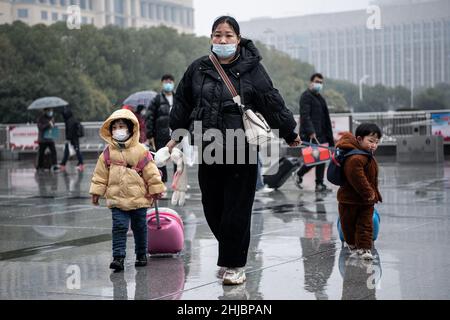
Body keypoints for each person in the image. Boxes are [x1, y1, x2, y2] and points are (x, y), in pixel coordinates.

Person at [167, 16, 301, 285]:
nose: (223, 40)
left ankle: (234, 265)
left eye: (228, 35)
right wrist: (174, 135)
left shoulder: (253, 70)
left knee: (237, 209)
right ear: (211, 38)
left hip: (242, 149)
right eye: (218, 35)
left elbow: (271, 101)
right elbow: (182, 102)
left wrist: (288, 131)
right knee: (212, 206)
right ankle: (231, 250)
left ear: (238, 39)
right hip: (209, 147)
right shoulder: (199, 68)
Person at [89, 109, 166, 272]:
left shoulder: (141, 151)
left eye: (122, 126)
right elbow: (100, 175)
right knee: (119, 227)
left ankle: (141, 254)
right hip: (117, 199)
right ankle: (118, 257)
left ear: (131, 129)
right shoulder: (107, 153)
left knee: (140, 228)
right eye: (115, 127)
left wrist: (156, 190)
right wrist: (96, 192)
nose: (118, 130)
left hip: (138, 199)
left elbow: (151, 173)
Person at [336, 123, 383, 260]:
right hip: (349, 200)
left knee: (365, 224)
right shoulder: (355, 158)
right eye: (370, 141)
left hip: (365, 201)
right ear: (359, 139)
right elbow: (358, 178)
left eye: (376, 142)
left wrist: (370, 195)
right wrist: (369, 193)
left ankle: (364, 249)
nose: (373, 145)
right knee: (348, 224)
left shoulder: (365, 155)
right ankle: (352, 245)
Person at [296, 73, 334, 192]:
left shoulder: (320, 98)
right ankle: (299, 174)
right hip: (311, 134)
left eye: (321, 82)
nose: (319, 84)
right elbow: (305, 116)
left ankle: (319, 184)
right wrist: (311, 131)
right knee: (314, 159)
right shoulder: (306, 96)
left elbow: (325, 118)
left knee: (321, 159)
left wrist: (329, 136)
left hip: (321, 133)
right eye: (317, 81)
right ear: (311, 82)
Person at [146, 74, 176, 182]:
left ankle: (178, 182)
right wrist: (150, 135)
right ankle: (161, 182)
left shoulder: (178, 98)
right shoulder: (157, 99)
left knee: (178, 158)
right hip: (160, 134)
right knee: (160, 159)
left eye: (170, 81)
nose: (168, 84)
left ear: (173, 83)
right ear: (162, 83)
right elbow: (149, 117)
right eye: (166, 81)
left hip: (175, 135)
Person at [59, 107, 84, 171]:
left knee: (73, 151)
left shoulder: (69, 121)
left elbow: (70, 130)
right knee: (74, 151)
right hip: (74, 138)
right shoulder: (72, 119)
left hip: (72, 139)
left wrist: (68, 138)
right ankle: (63, 164)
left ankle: (80, 164)